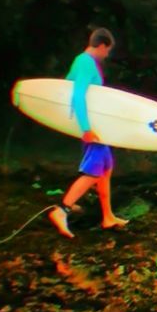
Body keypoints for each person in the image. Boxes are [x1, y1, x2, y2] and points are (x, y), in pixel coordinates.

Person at [48, 28, 129, 238]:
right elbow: (77, 96)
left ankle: (108, 217)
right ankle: (61, 210)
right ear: (102, 45)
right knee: (93, 171)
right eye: (107, 50)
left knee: (106, 168)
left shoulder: (80, 62)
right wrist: (85, 128)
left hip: (96, 126)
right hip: (92, 127)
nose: (107, 55)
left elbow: (66, 86)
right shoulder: (85, 62)